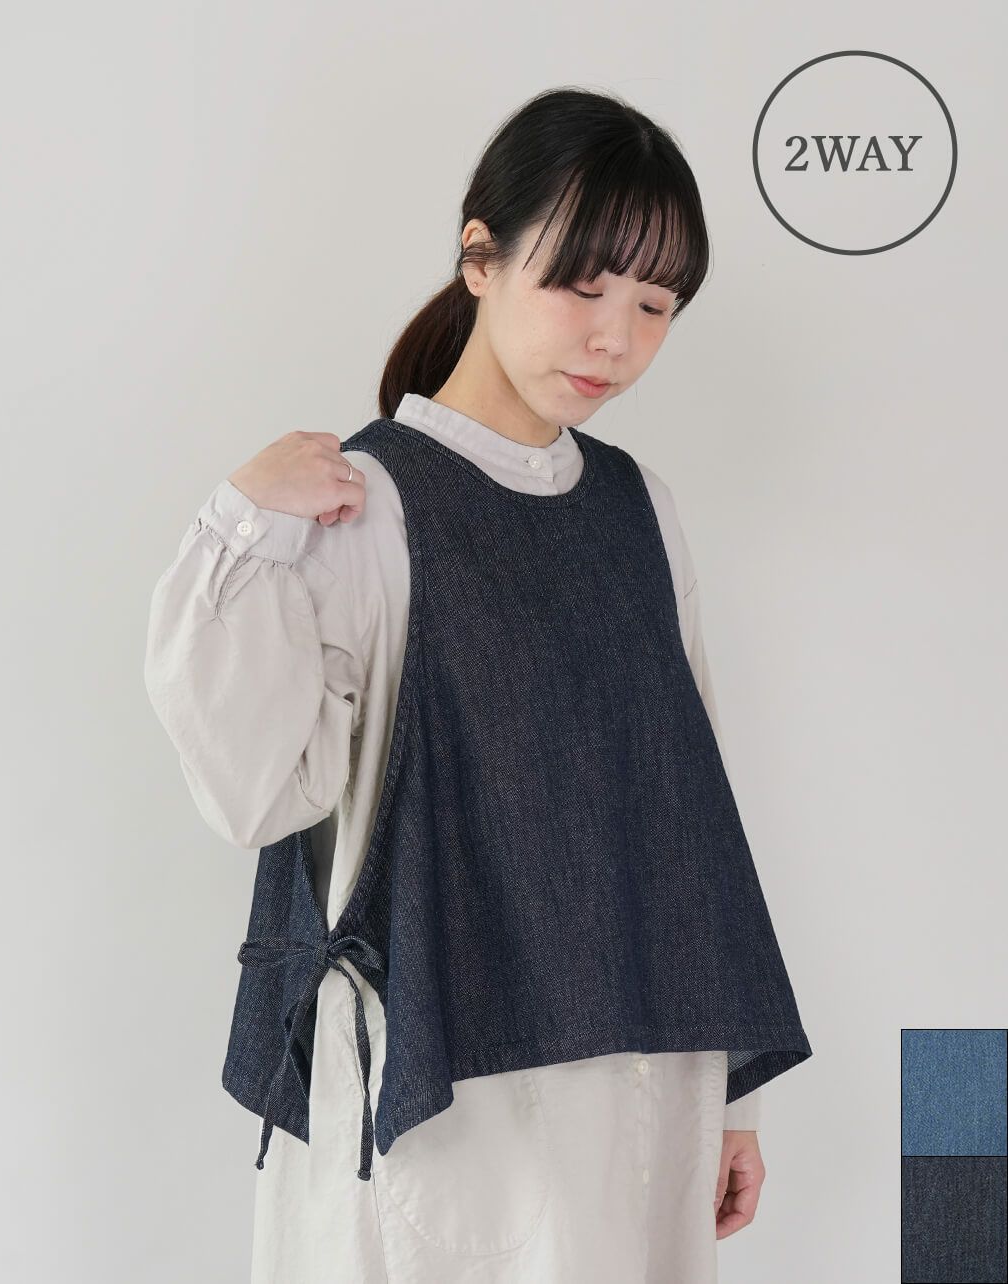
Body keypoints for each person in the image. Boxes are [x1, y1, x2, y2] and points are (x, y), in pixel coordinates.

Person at [145, 85, 811, 1283]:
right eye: (581, 287)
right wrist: (239, 529)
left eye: (654, 305)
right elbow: (254, 793)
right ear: (479, 257)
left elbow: (688, 823)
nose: (614, 339)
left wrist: (732, 1101)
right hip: (448, 1102)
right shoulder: (362, 507)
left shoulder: (638, 510)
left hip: (644, 1088)